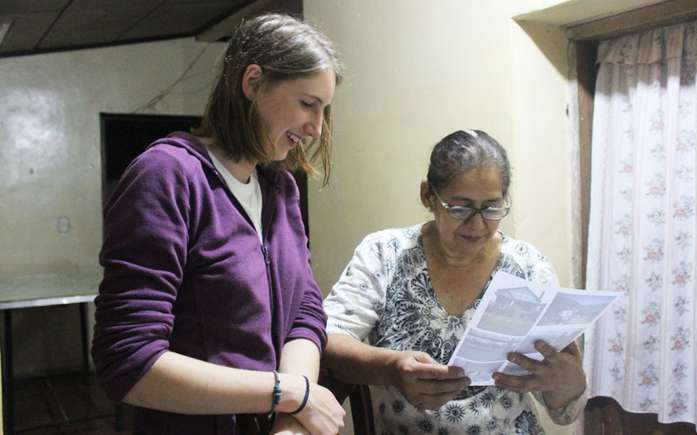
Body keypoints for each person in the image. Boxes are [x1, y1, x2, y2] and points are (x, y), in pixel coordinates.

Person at [91, 14, 346, 435]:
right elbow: (128, 359)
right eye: (307, 104)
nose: (316, 128)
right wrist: (290, 394)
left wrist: (289, 414)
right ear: (252, 83)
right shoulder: (168, 175)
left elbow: (304, 311)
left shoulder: (280, 188)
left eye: (324, 110)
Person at [322, 130, 588, 434]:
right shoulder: (385, 253)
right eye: (460, 208)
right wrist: (391, 368)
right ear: (428, 196)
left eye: (491, 207)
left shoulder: (527, 266)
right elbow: (329, 338)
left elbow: (564, 414)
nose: (477, 224)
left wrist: (568, 382)